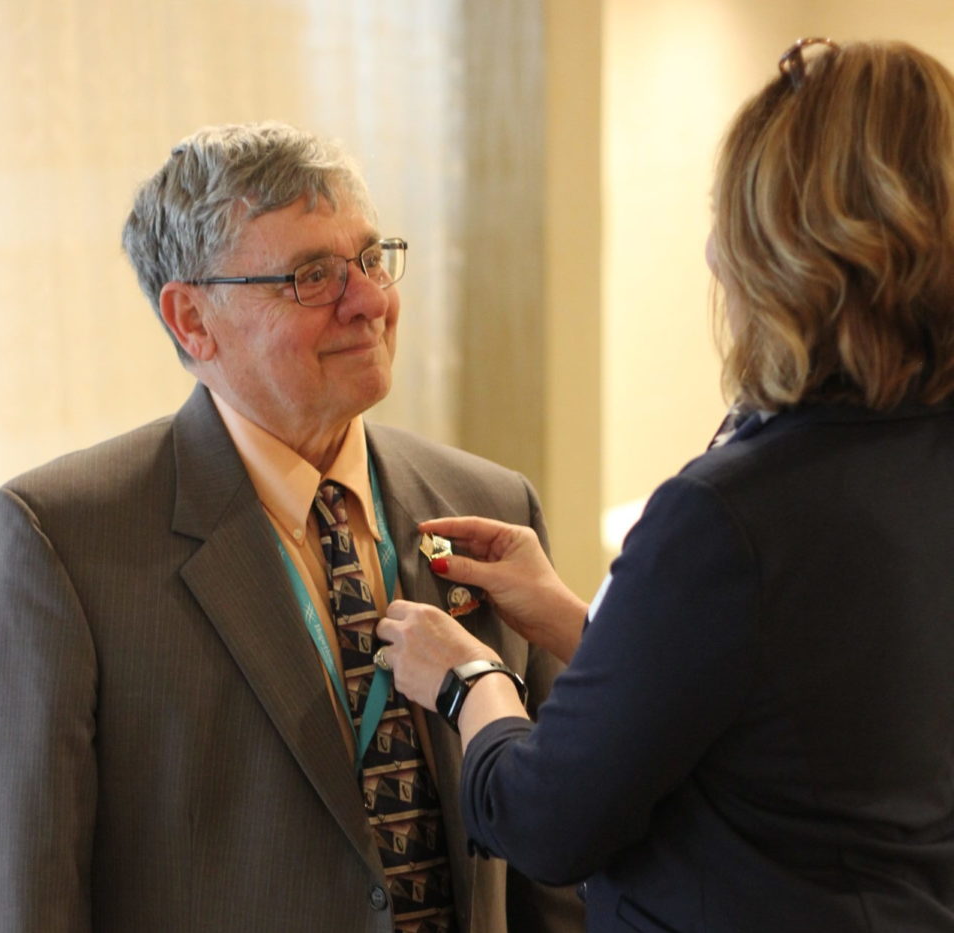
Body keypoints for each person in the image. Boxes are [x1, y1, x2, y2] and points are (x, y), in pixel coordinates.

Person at [0, 122, 584, 933]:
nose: (371, 302)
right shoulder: (63, 542)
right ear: (192, 320)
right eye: (313, 276)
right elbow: (11, 899)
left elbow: (557, 870)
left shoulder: (489, 506)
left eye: (373, 260)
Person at [376, 38, 954, 932]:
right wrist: (591, 628)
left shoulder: (731, 516)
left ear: (778, 252)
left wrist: (470, 679)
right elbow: (802, 704)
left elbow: (547, 821)